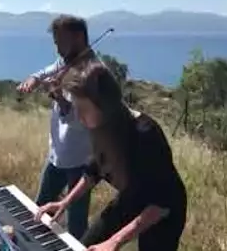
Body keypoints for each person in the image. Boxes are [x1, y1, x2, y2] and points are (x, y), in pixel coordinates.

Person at [35, 62, 188, 251]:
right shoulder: (100, 131)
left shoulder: (145, 134)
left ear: (103, 106)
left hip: (163, 209)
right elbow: (93, 171)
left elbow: (161, 203)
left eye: (82, 109)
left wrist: (114, 242)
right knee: (85, 246)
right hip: (131, 197)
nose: (78, 116)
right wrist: (65, 202)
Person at [16, 14, 97, 240]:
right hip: (57, 154)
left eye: (60, 42)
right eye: (55, 43)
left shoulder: (92, 73)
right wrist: (33, 79)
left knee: (76, 224)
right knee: (40, 209)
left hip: (81, 160)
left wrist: (60, 100)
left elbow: (83, 118)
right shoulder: (64, 63)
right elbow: (45, 72)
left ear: (78, 37)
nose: (58, 49)